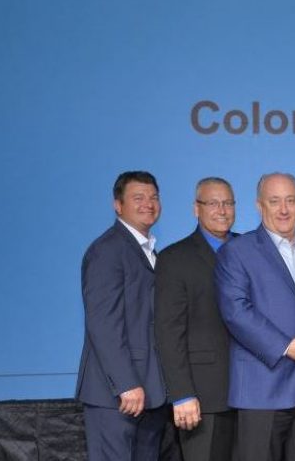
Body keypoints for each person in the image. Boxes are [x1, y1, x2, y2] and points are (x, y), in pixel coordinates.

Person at [215, 173, 295, 461]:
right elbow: (236, 311)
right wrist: (287, 346)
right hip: (262, 388)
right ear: (259, 205)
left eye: (290, 200)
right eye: (274, 201)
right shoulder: (236, 252)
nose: (284, 209)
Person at [76, 170, 168, 461]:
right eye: (138, 198)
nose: (148, 204)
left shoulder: (151, 251)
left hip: (151, 392)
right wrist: (126, 383)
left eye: (153, 197)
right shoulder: (107, 250)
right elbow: (103, 324)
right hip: (116, 395)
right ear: (118, 205)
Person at [154, 177, 239, 461]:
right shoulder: (174, 259)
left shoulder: (251, 249)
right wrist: (182, 394)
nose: (222, 210)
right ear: (196, 209)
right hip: (203, 396)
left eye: (228, 203)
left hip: (254, 395)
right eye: (213, 203)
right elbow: (168, 332)